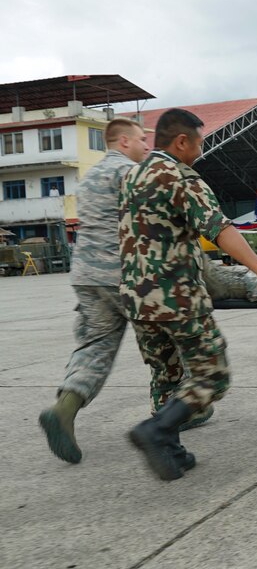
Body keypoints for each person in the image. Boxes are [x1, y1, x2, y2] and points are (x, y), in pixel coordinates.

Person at [119, 108, 257, 481]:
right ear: (181, 142)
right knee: (213, 375)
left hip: (136, 297)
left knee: (167, 374)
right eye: (198, 143)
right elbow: (219, 229)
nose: (200, 151)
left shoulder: (132, 175)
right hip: (176, 296)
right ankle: (157, 431)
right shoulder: (181, 176)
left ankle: (171, 451)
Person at [38, 118, 149, 464]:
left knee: (95, 346)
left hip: (86, 275)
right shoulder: (129, 174)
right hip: (125, 275)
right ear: (124, 142)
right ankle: (182, 409)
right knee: (168, 340)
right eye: (143, 140)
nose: (147, 146)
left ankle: (64, 409)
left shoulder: (88, 179)